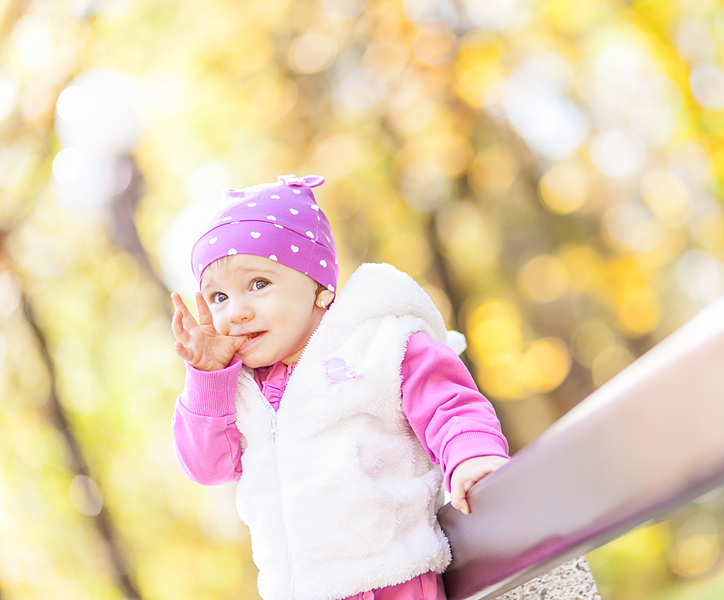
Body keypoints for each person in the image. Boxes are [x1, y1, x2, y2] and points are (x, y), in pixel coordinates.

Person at [170, 174, 510, 600]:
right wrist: (206, 378)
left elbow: (448, 404)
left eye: (258, 285)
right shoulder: (237, 390)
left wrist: (472, 456)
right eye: (218, 297)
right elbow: (206, 465)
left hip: (392, 577)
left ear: (319, 288)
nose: (236, 312)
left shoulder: (377, 344)